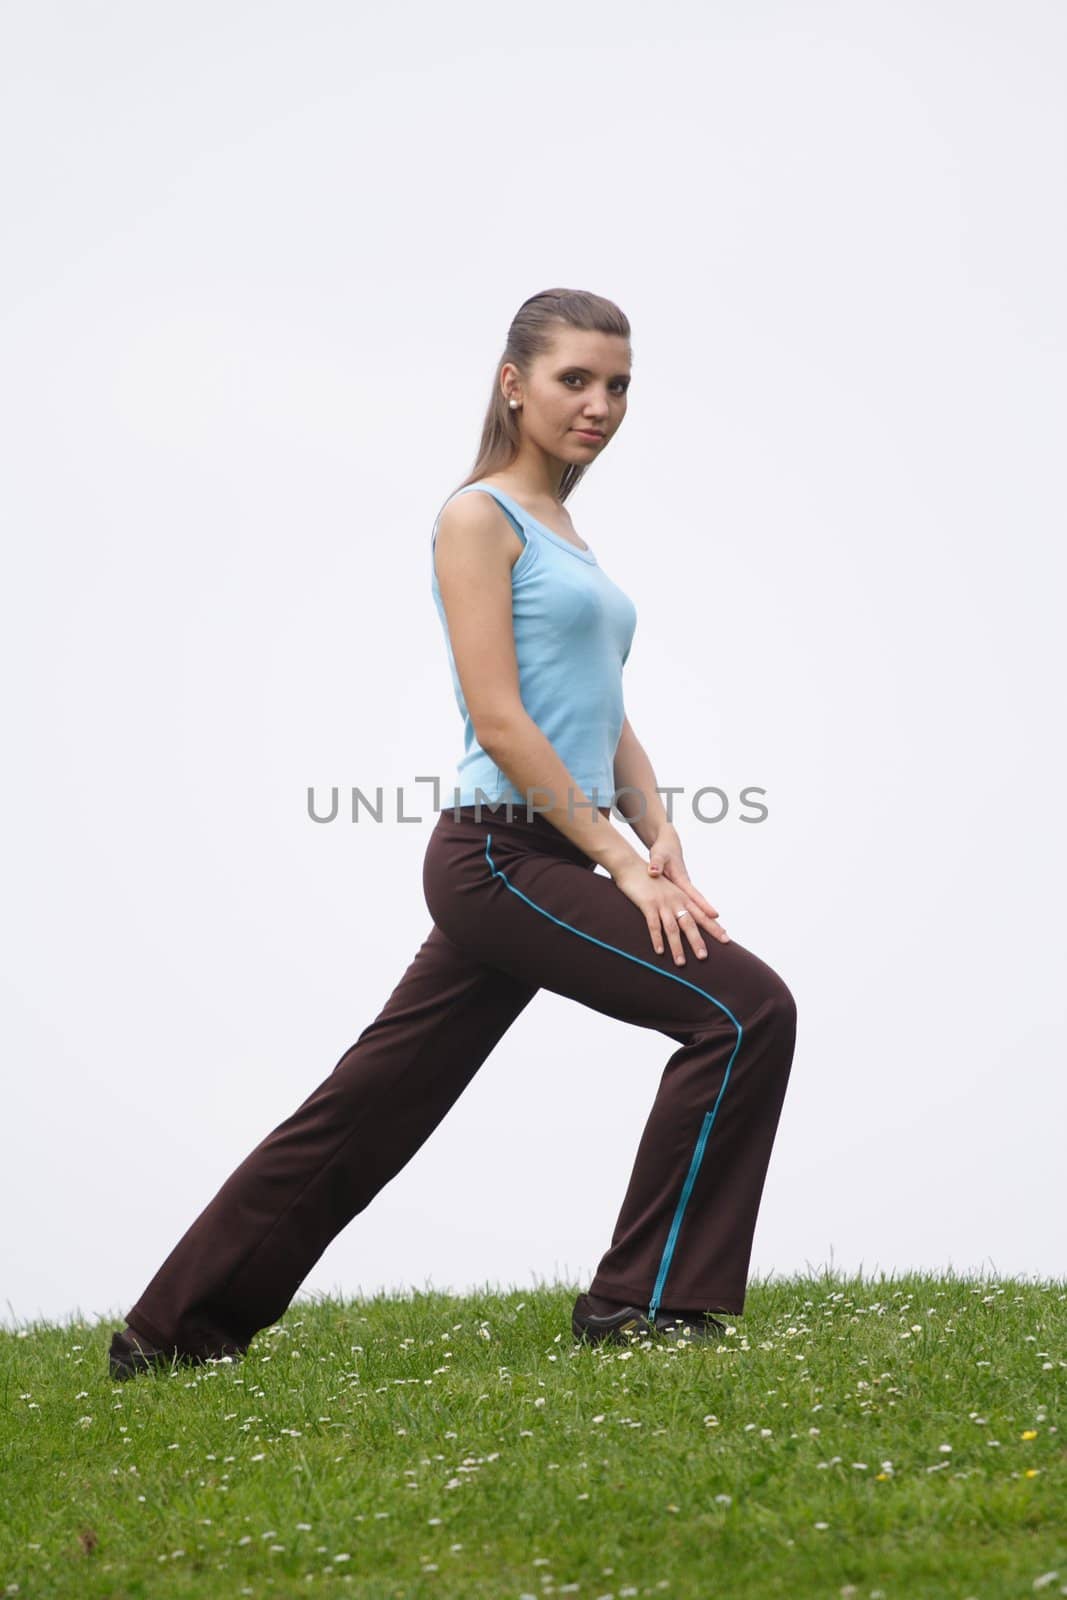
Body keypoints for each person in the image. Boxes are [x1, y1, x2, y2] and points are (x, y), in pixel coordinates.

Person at [108, 286, 797, 1380]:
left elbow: (600, 712)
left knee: (370, 1103)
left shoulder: (568, 533)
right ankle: (642, 1302)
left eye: (617, 384)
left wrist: (657, 831)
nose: (600, 404)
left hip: (550, 851)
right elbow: (499, 717)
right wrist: (619, 865)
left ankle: (170, 1333)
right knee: (743, 1008)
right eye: (575, 379)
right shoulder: (477, 516)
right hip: (497, 853)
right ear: (513, 383)